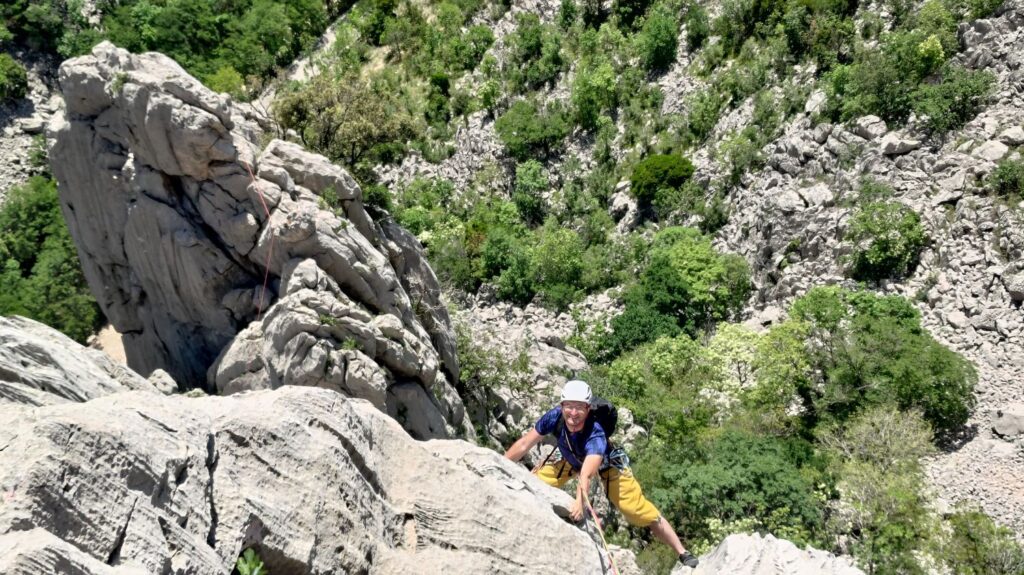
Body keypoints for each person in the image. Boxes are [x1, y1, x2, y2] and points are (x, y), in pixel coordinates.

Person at [504, 379, 699, 569]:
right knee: (535, 481)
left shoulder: (595, 434)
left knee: (637, 511)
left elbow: (587, 474)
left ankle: (682, 551)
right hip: (571, 459)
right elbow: (523, 444)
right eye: (569, 406)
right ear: (562, 406)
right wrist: (498, 462)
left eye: (579, 407)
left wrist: (579, 503)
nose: (573, 413)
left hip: (608, 465)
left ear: (588, 409)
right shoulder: (554, 417)